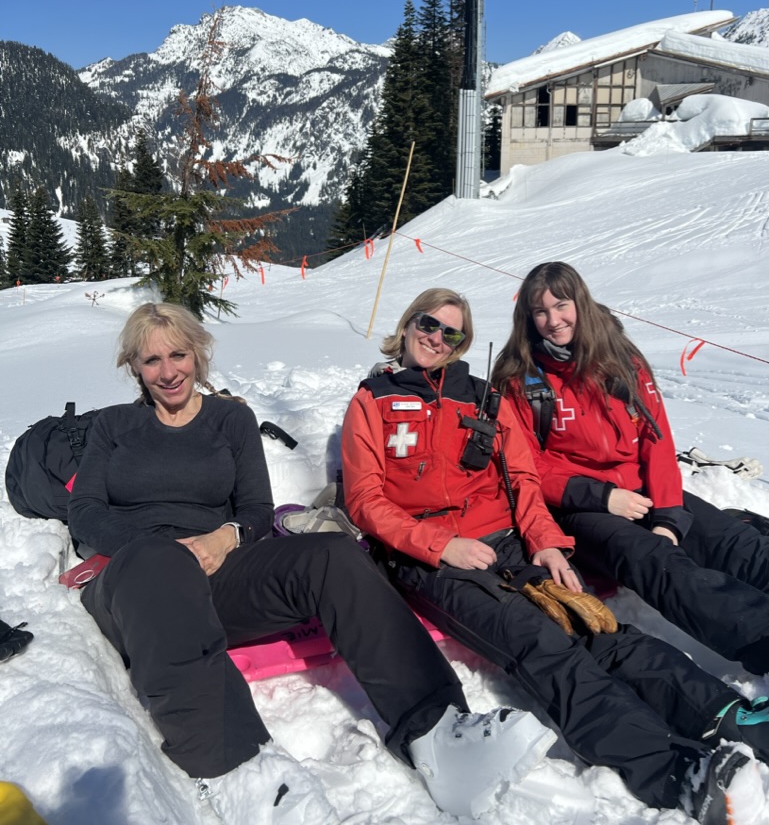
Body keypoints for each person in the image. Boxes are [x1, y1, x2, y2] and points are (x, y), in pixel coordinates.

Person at [67, 302, 549, 825]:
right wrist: (160, 547)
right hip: (139, 584)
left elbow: (255, 510)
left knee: (333, 555)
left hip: (218, 569)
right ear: (134, 367)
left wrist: (223, 538)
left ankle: (436, 731)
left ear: (197, 353)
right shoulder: (113, 427)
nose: (167, 371)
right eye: (151, 360)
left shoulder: (232, 419)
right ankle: (237, 768)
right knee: (160, 565)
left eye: (178, 354)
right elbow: (85, 512)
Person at [341, 287, 766, 825]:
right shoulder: (370, 402)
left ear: (462, 342)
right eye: (428, 324)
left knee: (602, 628)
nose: (436, 338)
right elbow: (364, 499)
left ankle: (728, 716)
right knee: (545, 646)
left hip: (511, 541)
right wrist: (441, 545)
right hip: (433, 557)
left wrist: (547, 542)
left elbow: (523, 479)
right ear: (407, 325)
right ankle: (675, 773)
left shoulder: (481, 397)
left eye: (451, 332)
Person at [492, 261, 769, 676]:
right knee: (659, 564)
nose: (553, 321)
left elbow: (656, 440)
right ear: (528, 318)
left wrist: (670, 516)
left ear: (580, 303)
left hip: (642, 491)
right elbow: (524, 466)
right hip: (578, 506)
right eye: (540, 312)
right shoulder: (521, 379)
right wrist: (603, 497)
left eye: (561, 306)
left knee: (731, 540)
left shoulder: (620, 360)